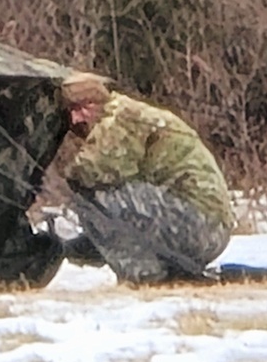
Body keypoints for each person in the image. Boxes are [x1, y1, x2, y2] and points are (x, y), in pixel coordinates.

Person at [57, 72, 235, 285]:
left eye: (81, 108)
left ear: (98, 101)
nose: (76, 119)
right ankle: (157, 272)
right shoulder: (130, 113)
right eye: (71, 112)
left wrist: (61, 179)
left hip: (200, 227)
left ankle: (143, 276)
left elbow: (93, 170)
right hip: (205, 226)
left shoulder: (120, 116)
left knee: (94, 195)